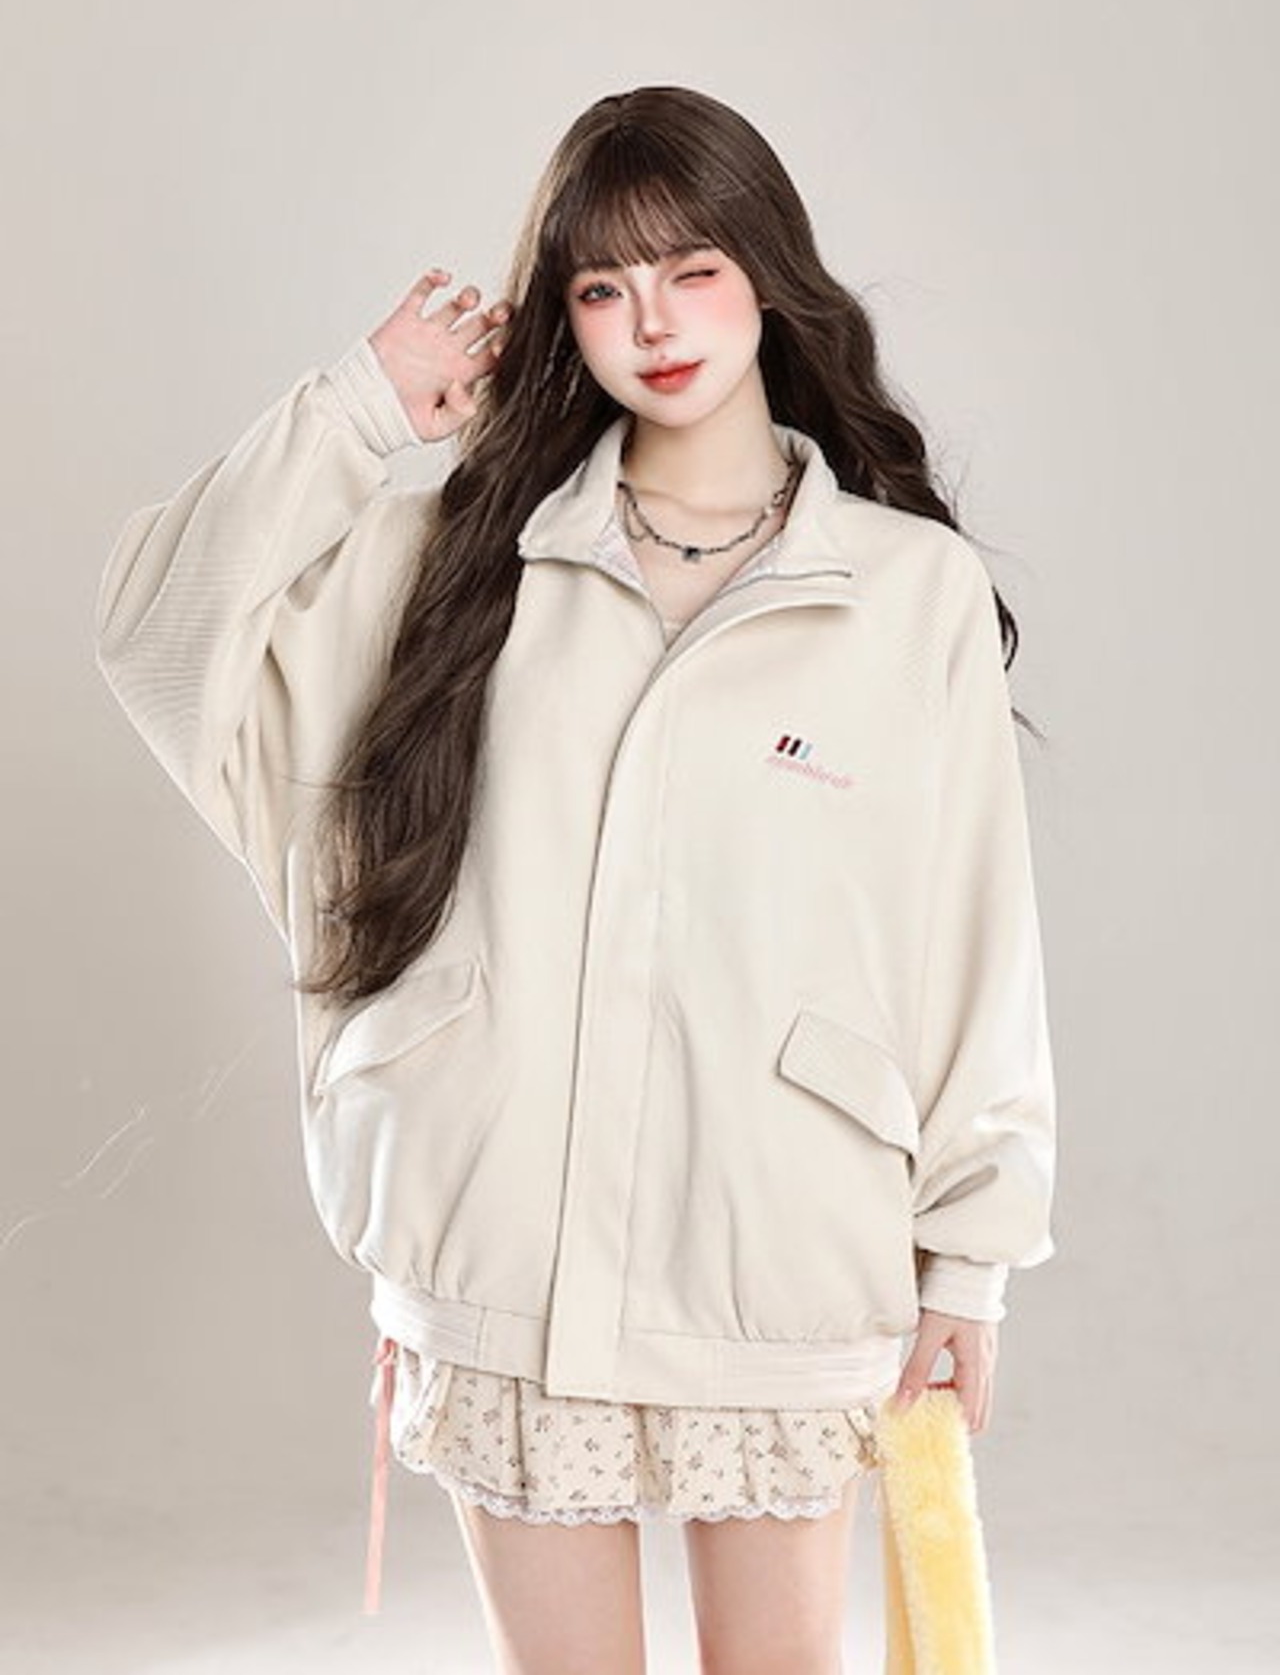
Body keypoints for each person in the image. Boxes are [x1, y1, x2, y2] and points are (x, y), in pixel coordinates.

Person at [95, 84, 1057, 1673]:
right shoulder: (458, 558)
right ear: (565, 316)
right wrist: (359, 412)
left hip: (778, 1240)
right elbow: (157, 640)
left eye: (692, 270)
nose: (653, 323)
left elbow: (976, 939)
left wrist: (971, 1258)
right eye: (604, 287)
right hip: (505, 1248)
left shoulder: (909, 592)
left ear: (767, 276)